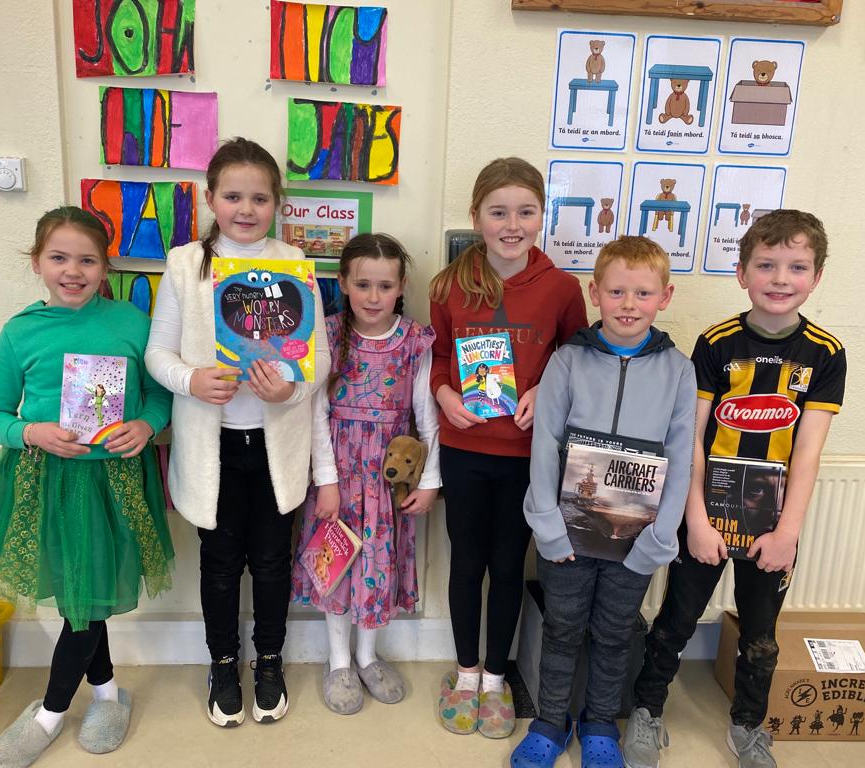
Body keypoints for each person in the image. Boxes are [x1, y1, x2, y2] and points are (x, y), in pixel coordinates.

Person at [623, 210, 847, 768]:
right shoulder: (716, 343)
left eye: (797, 267)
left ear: (817, 277)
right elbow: (690, 439)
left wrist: (787, 533)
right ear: (742, 272)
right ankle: (648, 710)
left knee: (761, 636)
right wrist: (696, 520)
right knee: (675, 620)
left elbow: (808, 452)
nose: (780, 278)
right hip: (708, 511)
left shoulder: (825, 353)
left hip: (772, 522)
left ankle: (747, 726)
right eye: (766, 265)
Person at [0, 206, 174, 768]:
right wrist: (31, 432)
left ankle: (50, 713)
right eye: (58, 258)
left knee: (88, 598)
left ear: (106, 267)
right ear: (37, 263)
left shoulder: (130, 323)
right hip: (44, 481)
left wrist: (146, 425)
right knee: (83, 597)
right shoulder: (20, 332)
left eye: (87, 260)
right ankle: (105, 693)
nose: (72, 271)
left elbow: (159, 395)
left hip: (113, 483)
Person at [145, 137, 330, 728]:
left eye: (259, 198)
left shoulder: (293, 263)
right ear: (210, 199)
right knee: (220, 563)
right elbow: (157, 352)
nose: (246, 209)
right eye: (232, 196)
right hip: (213, 445)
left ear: (277, 203)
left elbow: (319, 361)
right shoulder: (184, 264)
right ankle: (223, 662)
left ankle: (269, 659)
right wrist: (192, 380)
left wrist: (288, 390)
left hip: (275, 447)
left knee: (273, 562)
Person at [512, 236, 695, 768]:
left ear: (665, 297)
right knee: (563, 629)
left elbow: (682, 456)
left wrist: (660, 539)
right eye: (616, 292)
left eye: (643, 293)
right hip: (566, 535)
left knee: (615, 634)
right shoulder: (567, 360)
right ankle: (550, 721)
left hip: (636, 541)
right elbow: (544, 443)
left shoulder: (679, 371)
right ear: (594, 293)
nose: (628, 304)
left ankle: (599, 725)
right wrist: (548, 526)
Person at [429, 157, 588, 738]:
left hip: (527, 455)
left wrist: (545, 390)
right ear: (476, 217)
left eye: (526, 212)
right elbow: (437, 357)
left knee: (507, 565)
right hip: (465, 448)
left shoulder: (562, 288)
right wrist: (444, 393)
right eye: (499, 212)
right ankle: (465, 673)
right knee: (466, 563)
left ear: (543, 216)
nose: (512, 225)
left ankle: (496, 677)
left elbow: (578, 360)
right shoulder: (448, 285)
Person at [290, 233, 440, 715]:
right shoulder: (326, 335)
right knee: (335, 563)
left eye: (385, 286)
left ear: (401, 287)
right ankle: (338, 661)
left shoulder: (415, 341)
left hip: (386, 482)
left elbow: (426, 416)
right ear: (342, 283)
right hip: (338, 475)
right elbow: (316, 413)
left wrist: (430, 481)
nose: (373, 297)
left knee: (377, 565)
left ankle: (367, 656)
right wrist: (326, 480)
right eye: (362, 285)